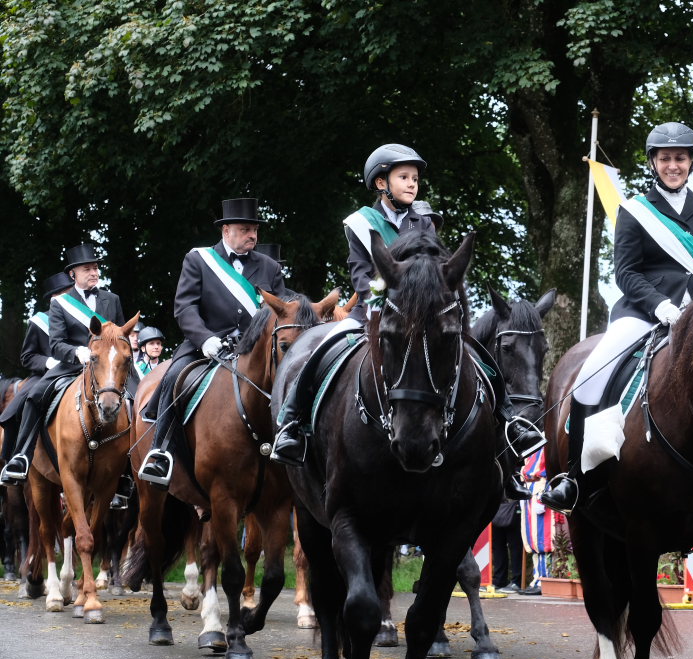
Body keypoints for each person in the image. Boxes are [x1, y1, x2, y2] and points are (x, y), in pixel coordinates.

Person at [542, 121, 693, 518]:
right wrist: (660, 305)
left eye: (680, 158)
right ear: (653, 163)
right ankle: (573, 477)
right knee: (591, 377)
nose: (673, 165)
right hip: (643, 314)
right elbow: (626, 272)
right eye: (665, 158)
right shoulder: (634, 211)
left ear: (691, 162)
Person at [269, 145, 543, 500]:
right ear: (381, 182)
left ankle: (509, 426)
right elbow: (361, 275)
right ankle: (291, 422)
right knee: (322, 348)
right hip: (372, 311)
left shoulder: (423, 221)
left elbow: (437, 268)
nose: (412, 183)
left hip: (423, 316)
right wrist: (385, 303)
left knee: (480, 360)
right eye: (404, 177)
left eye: (415, 178)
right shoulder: (360, 223)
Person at [138, 198, 286, 488]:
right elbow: (185, 307)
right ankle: (160, 451)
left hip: (256, 351)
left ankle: (294, 440)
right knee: (174, 376)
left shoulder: (269, 267)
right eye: (245, 230)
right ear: (226, 230)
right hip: (206, 346)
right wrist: (205, 338)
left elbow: (282, 310)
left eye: (255, 230)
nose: (253, 236)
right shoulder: (199, 260)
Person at [1, 245, 126, 485]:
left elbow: (120, 336)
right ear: (73, 274)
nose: (94, 272)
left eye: (96, 268)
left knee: (140, 397)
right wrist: (76, 352)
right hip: (72, 365)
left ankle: (132, 467)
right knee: (34, 396)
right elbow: (56, 343)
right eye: (87, 269)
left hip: (106, 367)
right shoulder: (60, 304)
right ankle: (22, 455)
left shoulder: (112, 300)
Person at [0, 272, 74, 468]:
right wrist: (48, 362)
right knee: (18, 407)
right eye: (65, 294)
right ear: (53, 298)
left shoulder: (82, 318)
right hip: (45, 374)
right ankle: (17, 458)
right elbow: (27, 356)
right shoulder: (40, 321)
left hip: (80, 370)